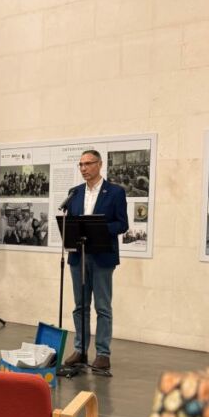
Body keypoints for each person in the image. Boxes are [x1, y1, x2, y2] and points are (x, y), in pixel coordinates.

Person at [61, 149, 128, 373]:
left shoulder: (115, 192)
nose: (83, 168)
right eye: (80, 165)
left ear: (100, 165)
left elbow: (122, 224)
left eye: (88, 164)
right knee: (80, 306)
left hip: (102, 255)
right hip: (78, 256)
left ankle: (102, 354)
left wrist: (98, 229)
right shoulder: (74, 193)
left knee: (102, 306)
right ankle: (80, 349)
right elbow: (70, 223)